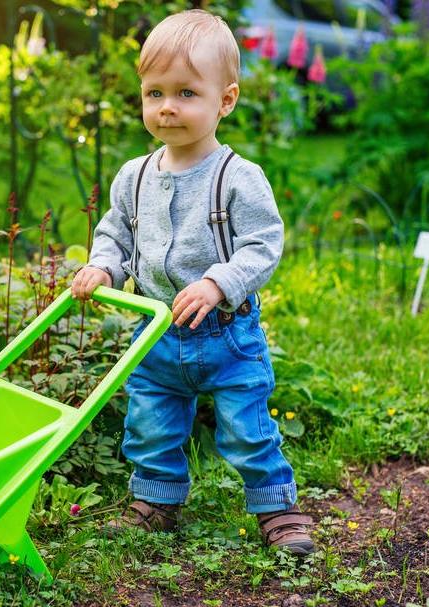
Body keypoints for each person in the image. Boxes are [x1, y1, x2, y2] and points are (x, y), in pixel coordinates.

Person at [70, 9, 314, 554]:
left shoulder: (237, 177)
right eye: (154, 93)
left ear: (225, 100)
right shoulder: (133, 176)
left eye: (185, 93)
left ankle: (278, 509)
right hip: (155, 332)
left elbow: (263, 245)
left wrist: (217, 283)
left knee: (246, 429)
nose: (167, 108)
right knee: (151, 421)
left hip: (226, 332)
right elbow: (116, 233)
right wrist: (104, 265)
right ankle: (157, 501)